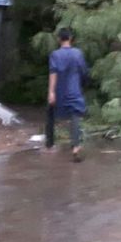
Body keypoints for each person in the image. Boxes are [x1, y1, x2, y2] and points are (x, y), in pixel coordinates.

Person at [46, 28, 89, 160]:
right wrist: (83, 84)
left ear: (59, 39)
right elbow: (84, 71)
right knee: (75, 116)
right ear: (70, 38)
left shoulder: (55, 54)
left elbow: (53, 73)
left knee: (50, 112)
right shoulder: (78, 53)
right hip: (74, 89)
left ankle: (49, 144)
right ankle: (75, 146)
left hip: (60, 90)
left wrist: (51, 92)